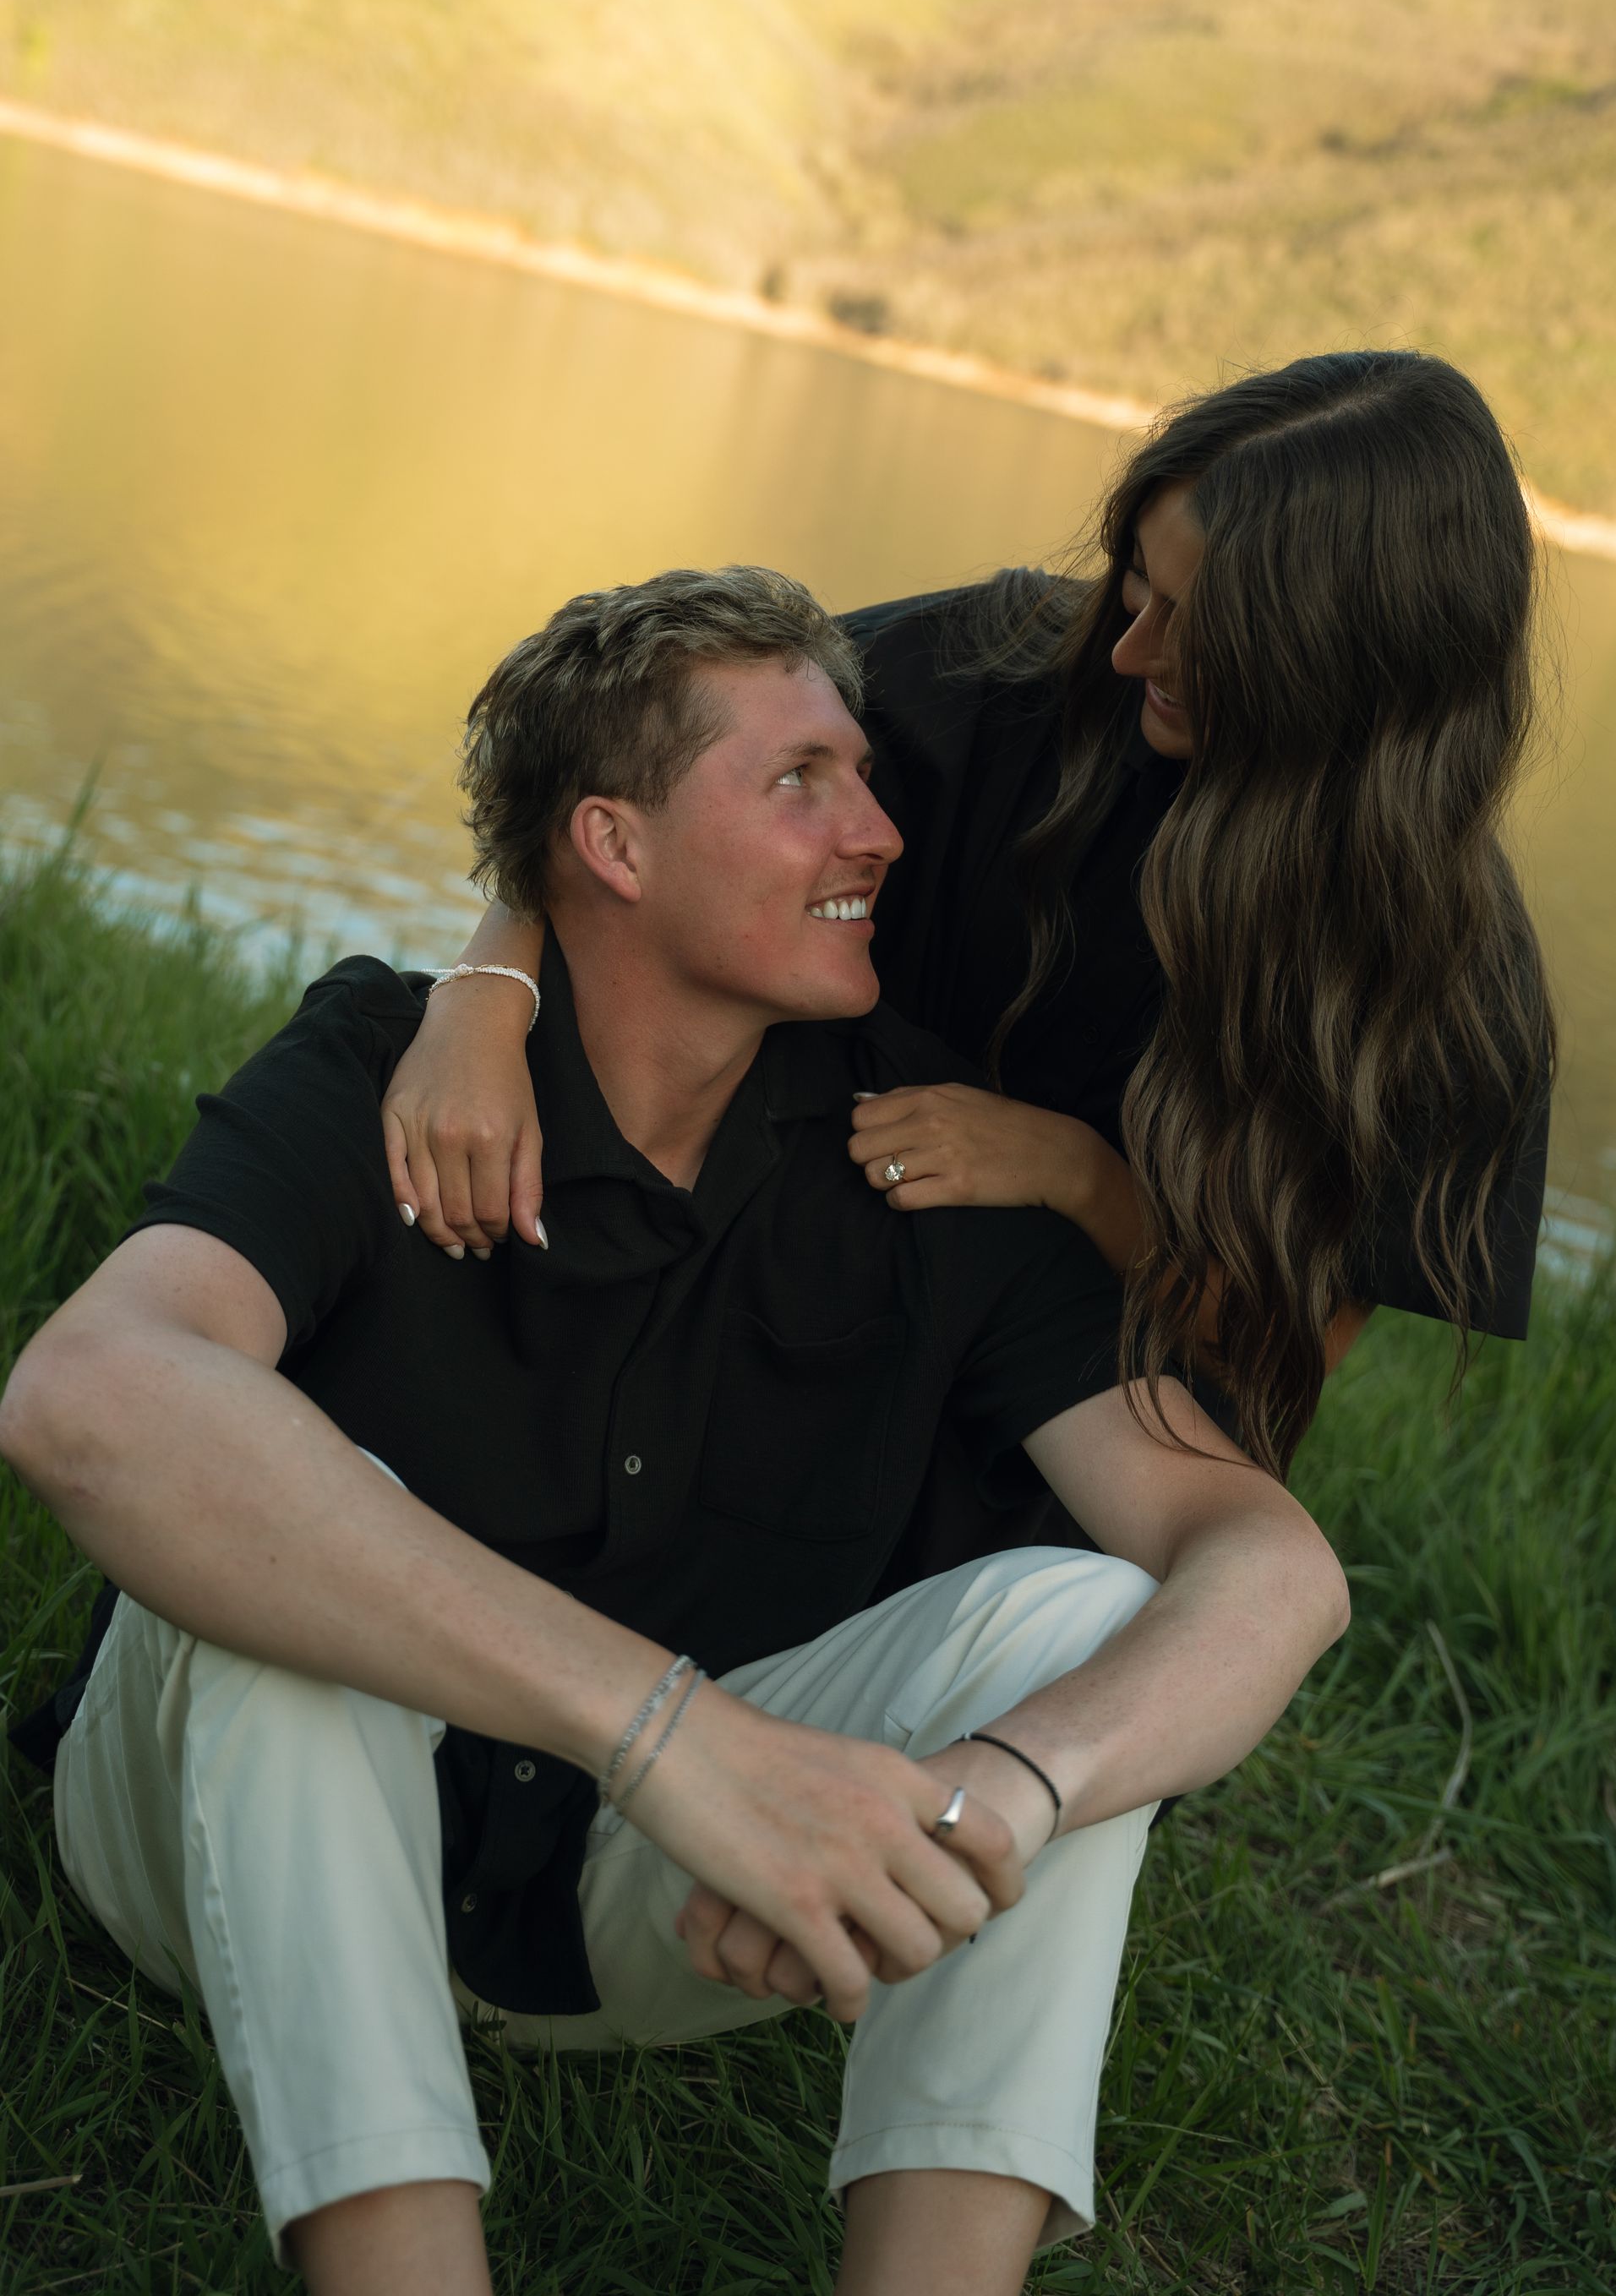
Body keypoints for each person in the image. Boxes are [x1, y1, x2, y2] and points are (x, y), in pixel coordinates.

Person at [3, 566, 1349, 2296]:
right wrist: (670, 1736)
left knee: (1078, 1617)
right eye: (802, 783)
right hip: (215, 1856)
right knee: (303, 1556)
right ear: (614, 848)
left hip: (643, 1913)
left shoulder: (928, 1155)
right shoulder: (380, 1068)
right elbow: (86, 1397)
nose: (877, 830)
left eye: (864, 776)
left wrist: (1004, 1797)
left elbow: (1271, 1568)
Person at [385, 351, 1554, 1493]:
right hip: (747, 1334)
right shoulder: (984, 668)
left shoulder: (1456, 983)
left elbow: (1273, 1355)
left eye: (1201, 628)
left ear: (1354, 663)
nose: (1130, 648)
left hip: (1051, 1468)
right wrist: (485, 995)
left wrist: (1080, 1175)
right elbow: (634, 786)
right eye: (1138, 587)